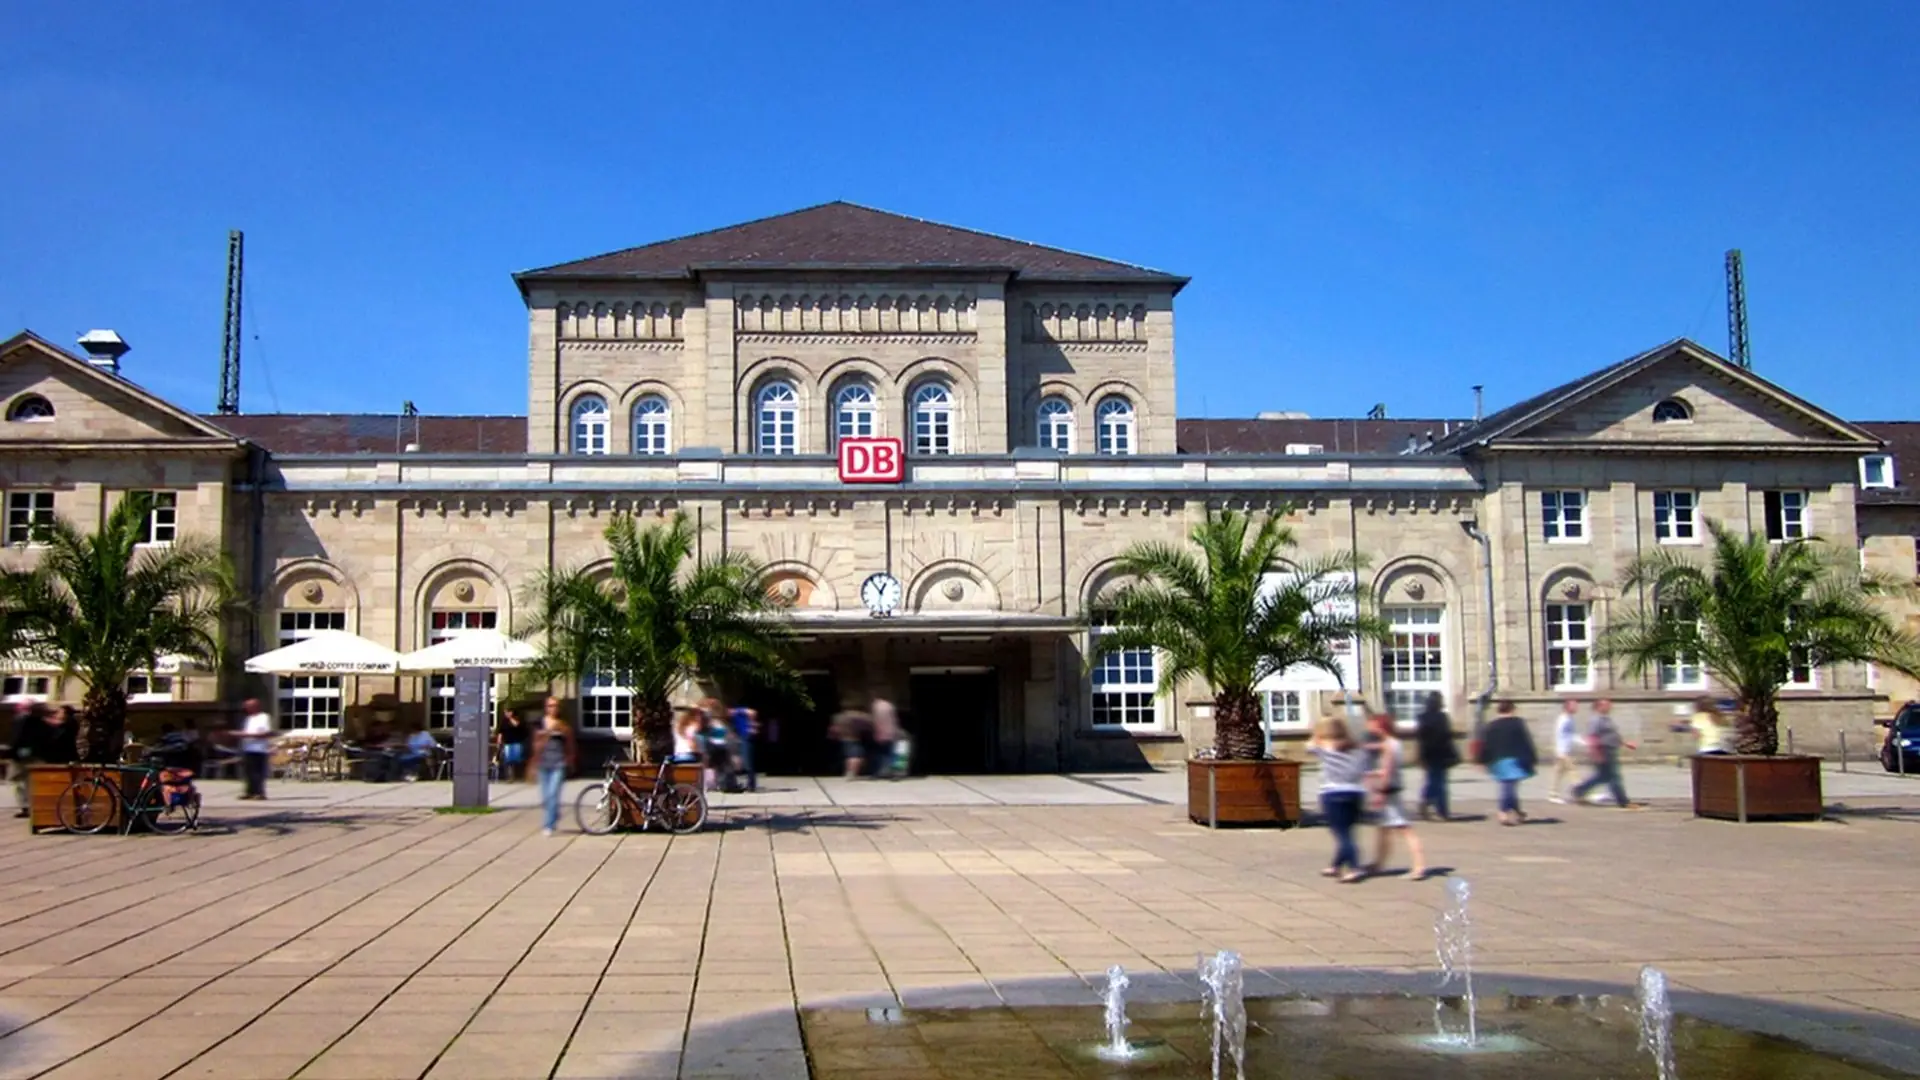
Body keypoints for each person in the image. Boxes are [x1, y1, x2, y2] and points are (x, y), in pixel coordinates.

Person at [1365, 713, 1430, 880]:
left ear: (1380, 726)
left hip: (1390, 792)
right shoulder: (1395, 743)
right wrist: (1373, 773)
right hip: (1393, 789)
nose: (1369, 726)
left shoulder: (1389, 745)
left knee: (1405, 829)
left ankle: (1419, 867)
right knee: (1383, 829)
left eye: (1371, 724)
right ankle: (1378, 863)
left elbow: (1387, 770)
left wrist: (1381, 792)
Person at [1307, 714, 1369, 883]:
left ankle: (1354, 867)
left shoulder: (1322, 747)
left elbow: (1309, 746)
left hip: (1332, 793)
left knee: (1342, 834)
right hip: (1356, 792)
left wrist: (1317, 730)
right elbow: (1364, 768)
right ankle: (1336, 865)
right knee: (1347, 831)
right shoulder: (1357, 749)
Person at [1477, 700, 1538, 826]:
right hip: (1514, 758)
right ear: (1512, 709)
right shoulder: (1518, 723)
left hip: (1497, 760)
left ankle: (1517, 811)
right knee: (1509, 785)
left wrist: (1482, 760)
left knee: (1509, 785)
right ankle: (1503, 811)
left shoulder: (1491, 726)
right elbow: (1526, 741)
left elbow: (1486, 745)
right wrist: (1532, 757)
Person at [1572, 698, 1636, 808]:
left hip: (1610, 750)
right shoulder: (1596, 720)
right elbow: (1592, 737)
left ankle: (1579, 790)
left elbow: (1611, 735)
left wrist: (1625, 743)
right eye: (1606, 705)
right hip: (1603, 751)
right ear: (1599, 707)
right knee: (1614, 777)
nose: (1610, 707)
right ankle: (1623, 801)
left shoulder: (1606, 719)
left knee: (1602, 777)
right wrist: (1596, 753)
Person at [530, 697, 576, 836]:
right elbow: (534, 743)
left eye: (555, 706)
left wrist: (571, 760)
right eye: (550, 705)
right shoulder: (539, 723)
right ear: (546, 707)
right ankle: (554, 813)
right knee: (546, 798)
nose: (553, 708)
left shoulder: (563, 725)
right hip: (542, 763)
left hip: (558, 763)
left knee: (553, 795)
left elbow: (570, 744)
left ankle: (548, 825)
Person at [1413, 692, 1459, 821]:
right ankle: (1441, 810)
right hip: (1441, 753)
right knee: (1441, 783)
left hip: (1428, 753)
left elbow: (1420, 738)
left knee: (1433, 780)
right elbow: (1447, 736)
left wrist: (1419, 755)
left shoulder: (1422, 717)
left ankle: (1427, 800)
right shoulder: (1443, 717)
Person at [8, 703, 50, 818]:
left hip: (21, 757)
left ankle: (26, 806)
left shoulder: (22, 721)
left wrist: (13, 752)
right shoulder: (44, 723)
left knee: (21, 782)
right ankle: (33, 805)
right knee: (32, 782)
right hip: (36, 756)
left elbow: (17, 738)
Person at [239, 698, 277, 801]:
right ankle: (250, 792)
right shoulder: (248, 719)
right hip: (248, 748)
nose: (246, 709)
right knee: (248, 772)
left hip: (260, 749)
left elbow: (267, 733)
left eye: (249, 706)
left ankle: (260, 793)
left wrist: (249, 735)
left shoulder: (264, 717)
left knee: (258, 773)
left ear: (255, 706)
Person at [1546, 697, 1582, 805]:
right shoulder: (1564, 720)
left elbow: (1570, 735)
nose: (1576, 707)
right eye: (1574, 705)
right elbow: (1560, 735)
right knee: (1573, 771)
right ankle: (1580, 793)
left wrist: (1582, 741)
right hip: (1563, 751)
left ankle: (1553, 794)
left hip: (1564, 750)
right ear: (1567, 707)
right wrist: (1560, 751)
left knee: (1558, 773)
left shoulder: (1568, 718)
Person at [829, 708, 870, 780]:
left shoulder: (839, 717)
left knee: (851, 757)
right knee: (855, 756)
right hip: (852, 739)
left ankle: (850, 772)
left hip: (844, 739)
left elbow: (834, 730)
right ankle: (851, 772)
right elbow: (868, 722)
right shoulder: (854, 716)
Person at [727, 704, 759, 793]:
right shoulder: (733, 719)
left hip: (747, 737)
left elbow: (753, 712)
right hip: (743, 737)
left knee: (748, 762)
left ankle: (751, 786)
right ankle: (750, 784)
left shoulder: (738, 711)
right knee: (746, 761)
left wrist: (751, 725)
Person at [496, 708, 531, 782]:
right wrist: (499, 740)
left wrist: (510, 718)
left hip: (516, 743)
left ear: (511, 712)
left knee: (515, 760)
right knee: (507, 760)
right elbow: (500, 731)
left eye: (507, 712)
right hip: (507, 743)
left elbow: (517, 725)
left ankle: (519, 775)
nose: (506, 714)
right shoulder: (504, 721)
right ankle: (509, 777)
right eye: (505, 713)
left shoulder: (516, 719)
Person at [870, 698, 899, 780]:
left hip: (880, 734)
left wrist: (876, 733)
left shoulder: (876, 707)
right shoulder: (889, 706)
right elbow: (894, 720)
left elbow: (876, 722)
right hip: (892, 733)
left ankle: (879, 773)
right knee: (892, 754)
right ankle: (895, 773)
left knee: (880, 755)